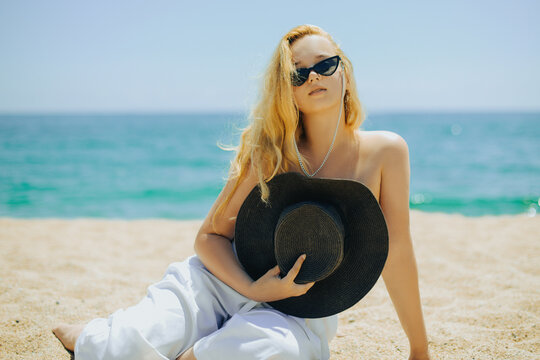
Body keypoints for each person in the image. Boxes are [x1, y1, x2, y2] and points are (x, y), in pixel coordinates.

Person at [53, 24, 431, 360]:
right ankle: (91, 335)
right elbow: (209, 236)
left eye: (325, 65)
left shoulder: (386, 151)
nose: (314, 76)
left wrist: (419, 349)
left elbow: (396, 251)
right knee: (128, 348)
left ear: (344, 70)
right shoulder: (271, 150)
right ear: (287, 91)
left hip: (302, 307)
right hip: (222, 282)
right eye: (298, 74)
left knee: (273, 351)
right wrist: (253, 287)